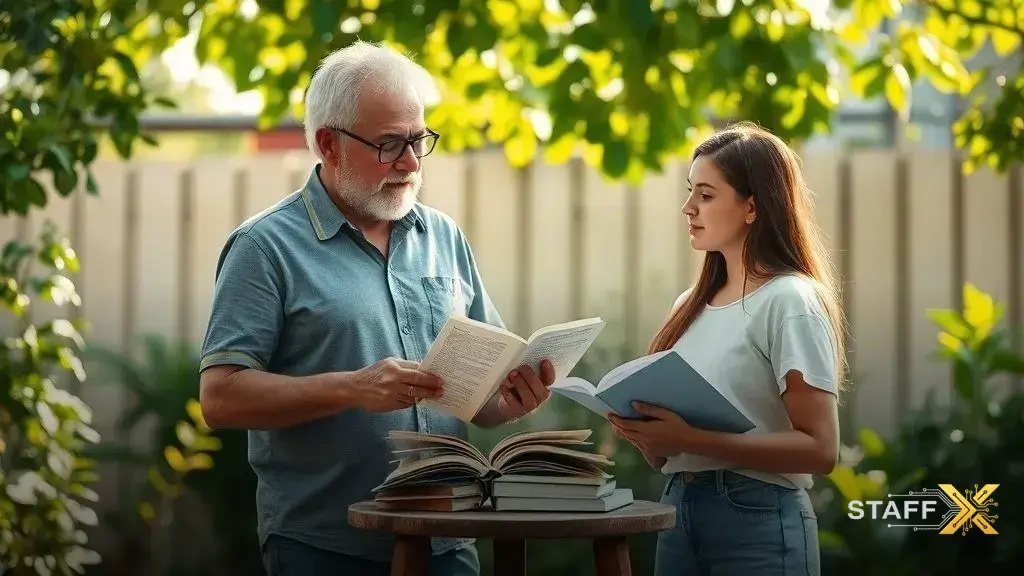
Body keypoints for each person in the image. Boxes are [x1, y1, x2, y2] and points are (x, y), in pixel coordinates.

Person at [197, 41, 557, 576]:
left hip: (449, 541)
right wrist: (353, 387)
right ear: (329, 144)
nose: (411, 163)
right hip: (326, 547)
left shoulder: (443, 236)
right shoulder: (263, 247)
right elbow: (220, 398)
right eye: (390, 144)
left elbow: (481, 403)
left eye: (418, 140)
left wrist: (516, 398)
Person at [608, 122, 845, 576]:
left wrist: (690, 439)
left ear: (752, 206)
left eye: (706, 194)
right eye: (689, 191)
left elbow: (821, 449)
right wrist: (647, 433)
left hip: (756, 519)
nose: (687, 207)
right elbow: (667, 455)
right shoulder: (689, 306)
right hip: (678, 510)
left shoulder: (789, 300)